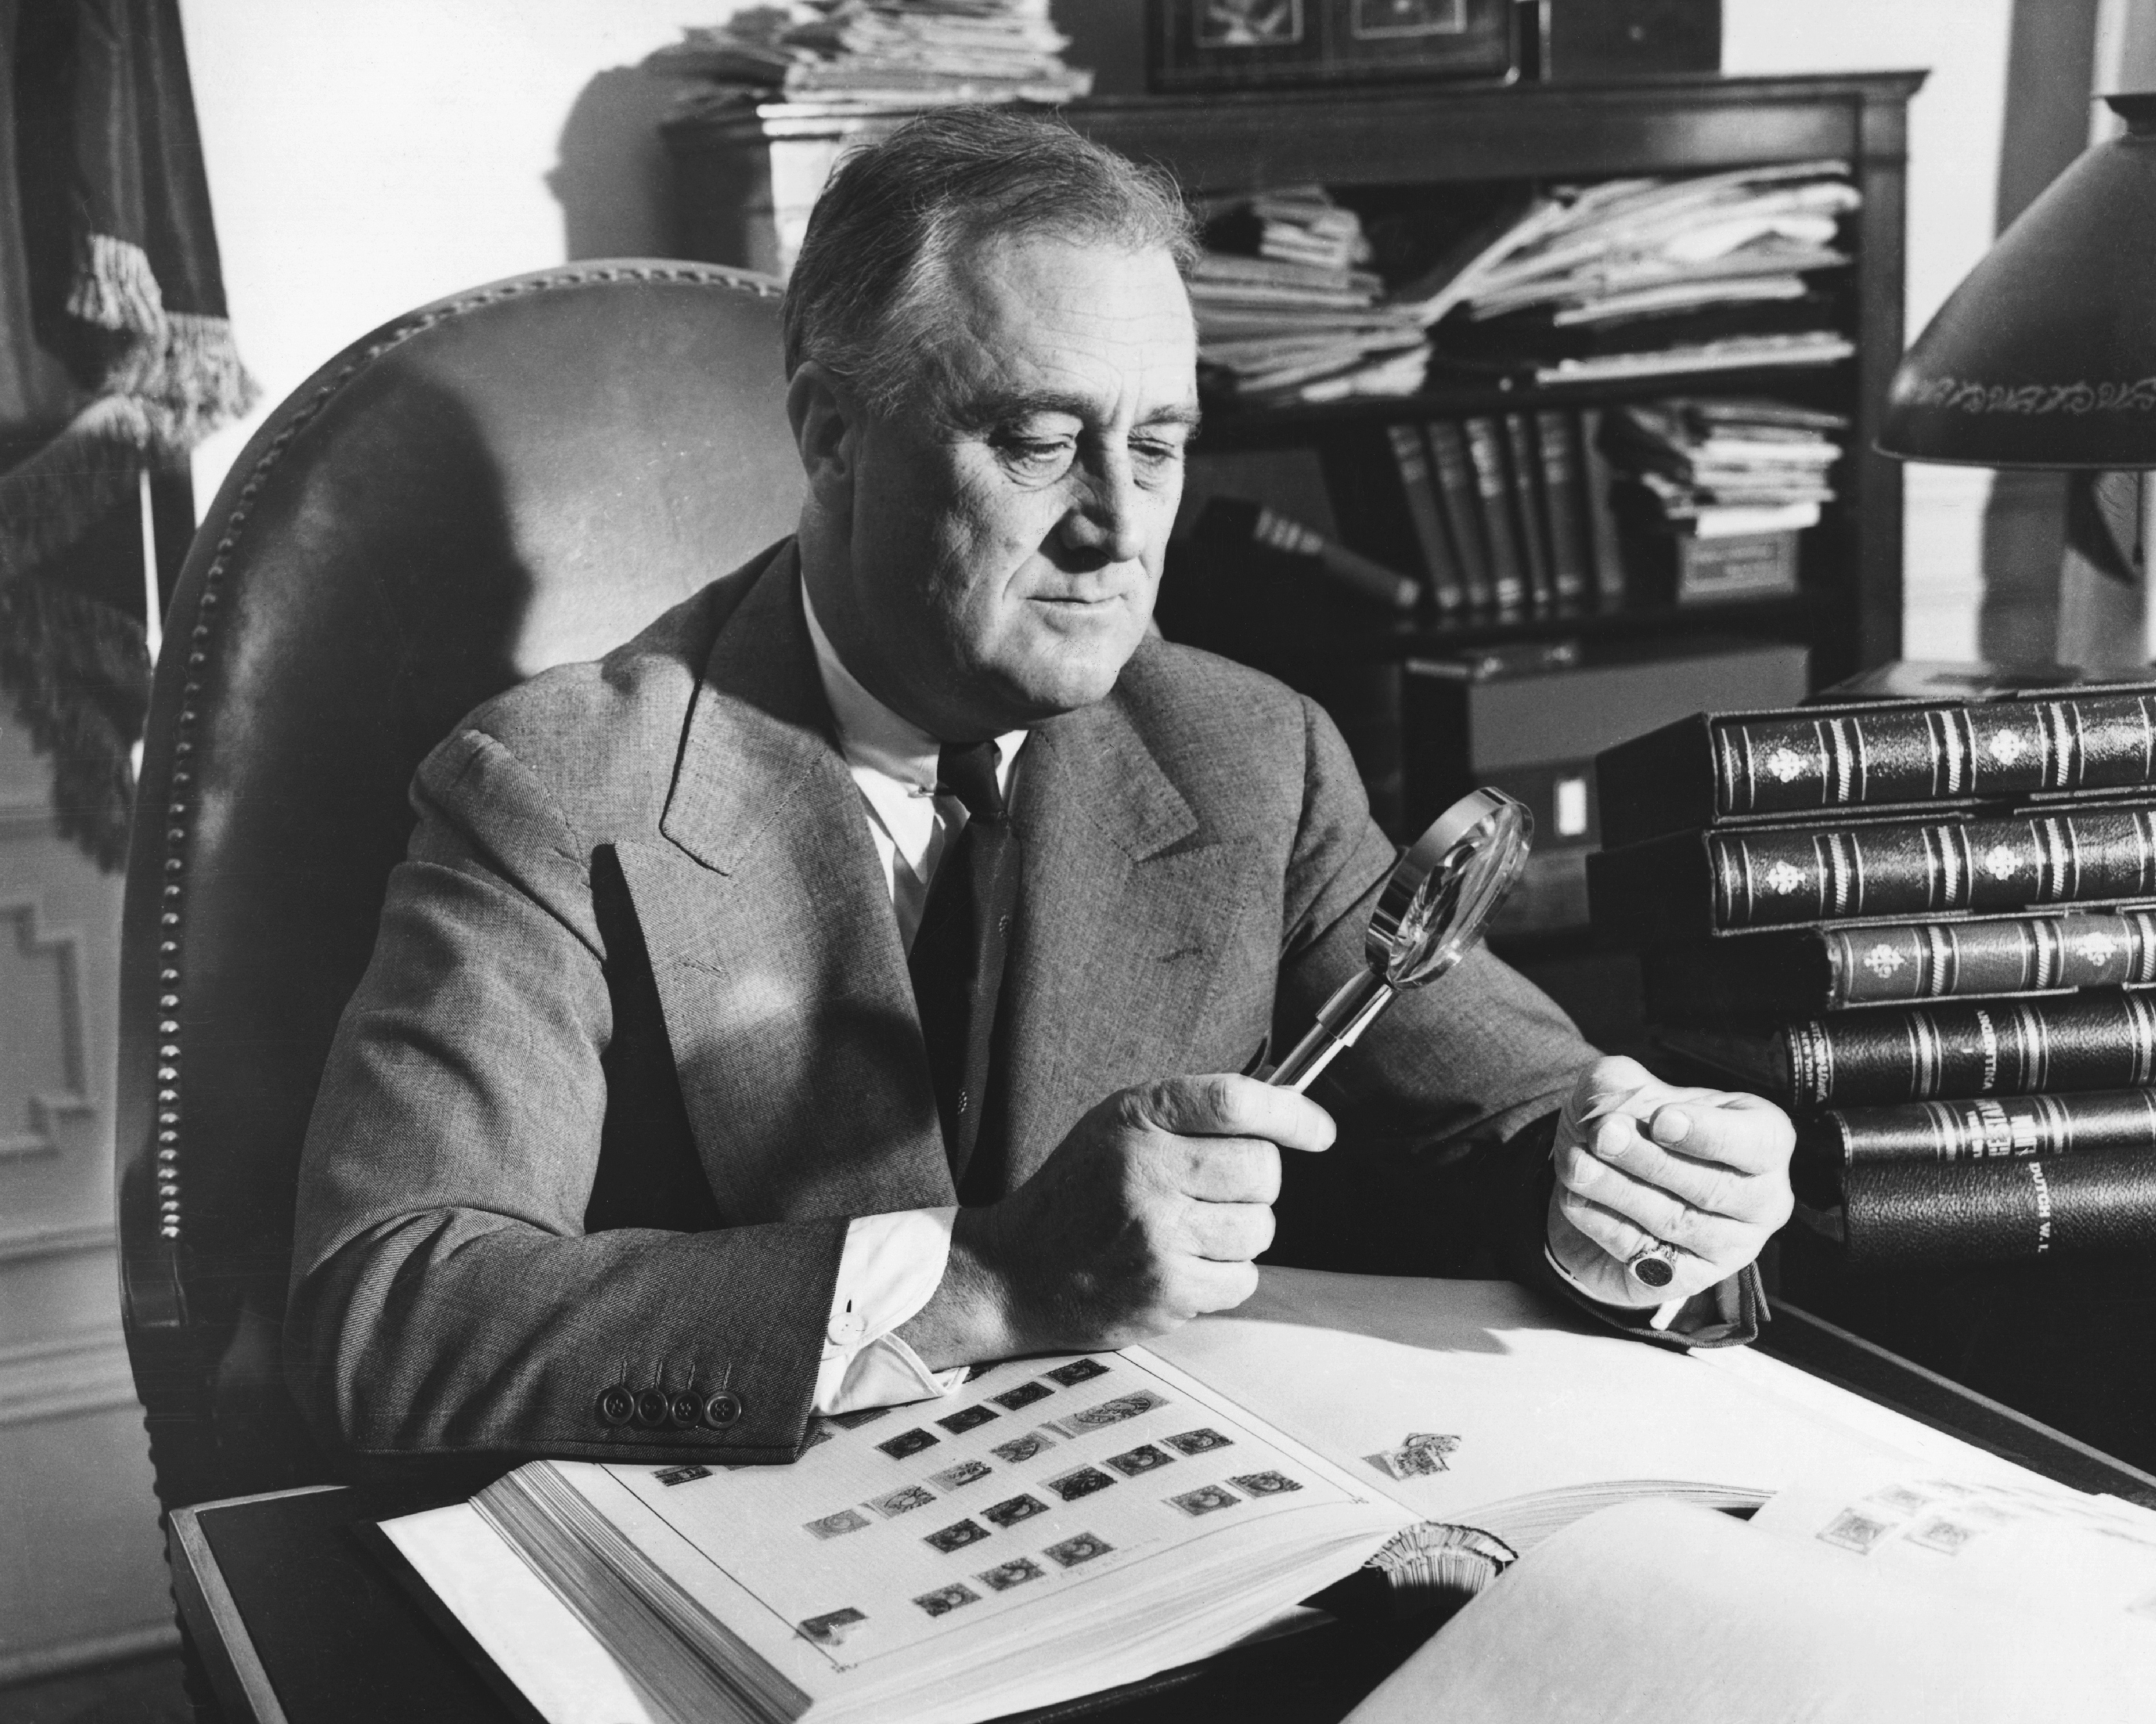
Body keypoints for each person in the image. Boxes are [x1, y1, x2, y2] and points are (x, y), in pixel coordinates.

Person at [286, 108, 1794, 1469]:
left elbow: (1516, 1116)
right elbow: (391, 1318)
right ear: (830, 437)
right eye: (1040, 442)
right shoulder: (556, 788)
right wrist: (986, 1279)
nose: (1119, 526)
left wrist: (1638, 1202)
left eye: (1160, 446)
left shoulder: (1246, 750)